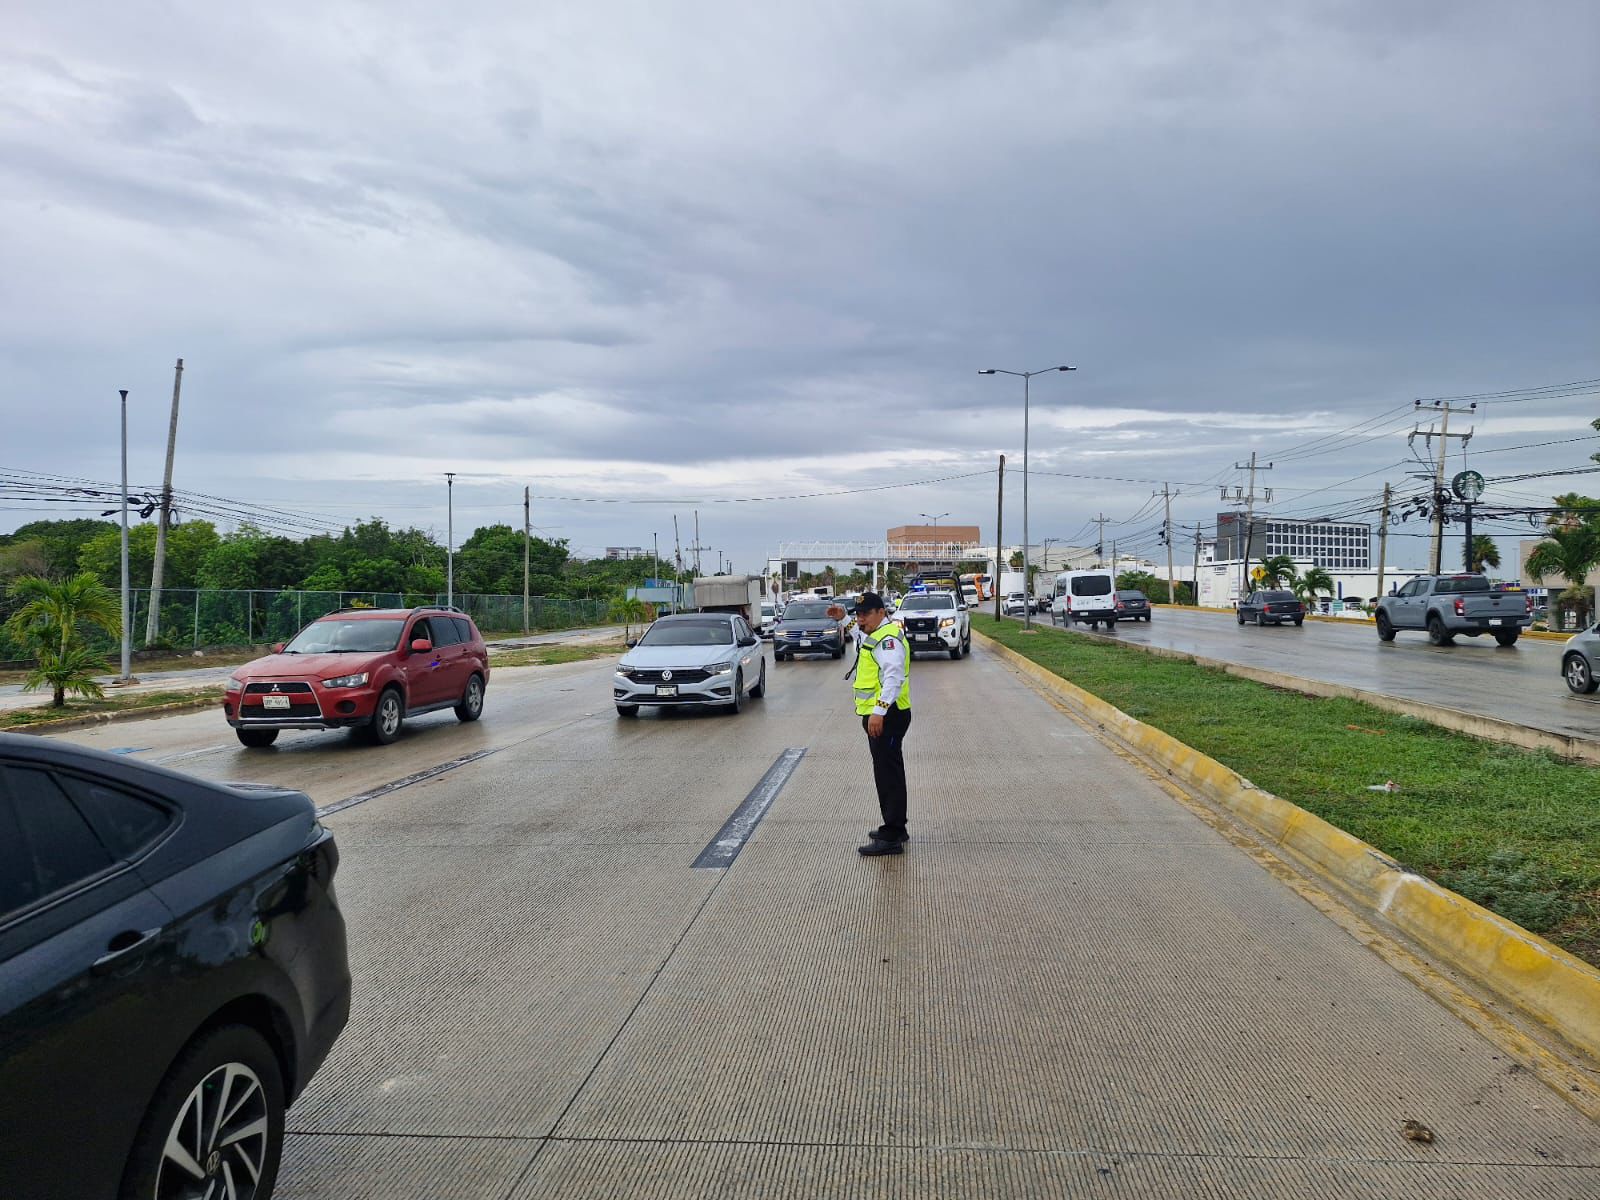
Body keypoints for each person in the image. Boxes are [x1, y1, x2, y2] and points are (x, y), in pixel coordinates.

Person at [829, 591, 912, 857]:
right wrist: (844, 620)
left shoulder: (887, 640)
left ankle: (892, 835)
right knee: (888, 771)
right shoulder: (876, 634)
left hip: (888, 716)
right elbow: (859, 636)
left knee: (887, 774)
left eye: (865, 614)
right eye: (858, 614)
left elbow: (893, 677)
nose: (861, 618)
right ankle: (897, 827)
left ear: (881, 613)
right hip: (884, 714)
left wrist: (879, 711)